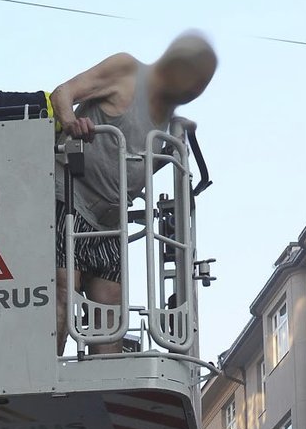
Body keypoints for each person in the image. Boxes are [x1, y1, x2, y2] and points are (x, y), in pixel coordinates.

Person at [51, 32, 217, 353]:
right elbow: (63, 93)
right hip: (69, 199)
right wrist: (71, 122)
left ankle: (103, 391)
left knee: (111, 310)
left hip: (111, 222)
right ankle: (47, 380)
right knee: (62, 288)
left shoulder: (169, 125)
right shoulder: (126, 70)